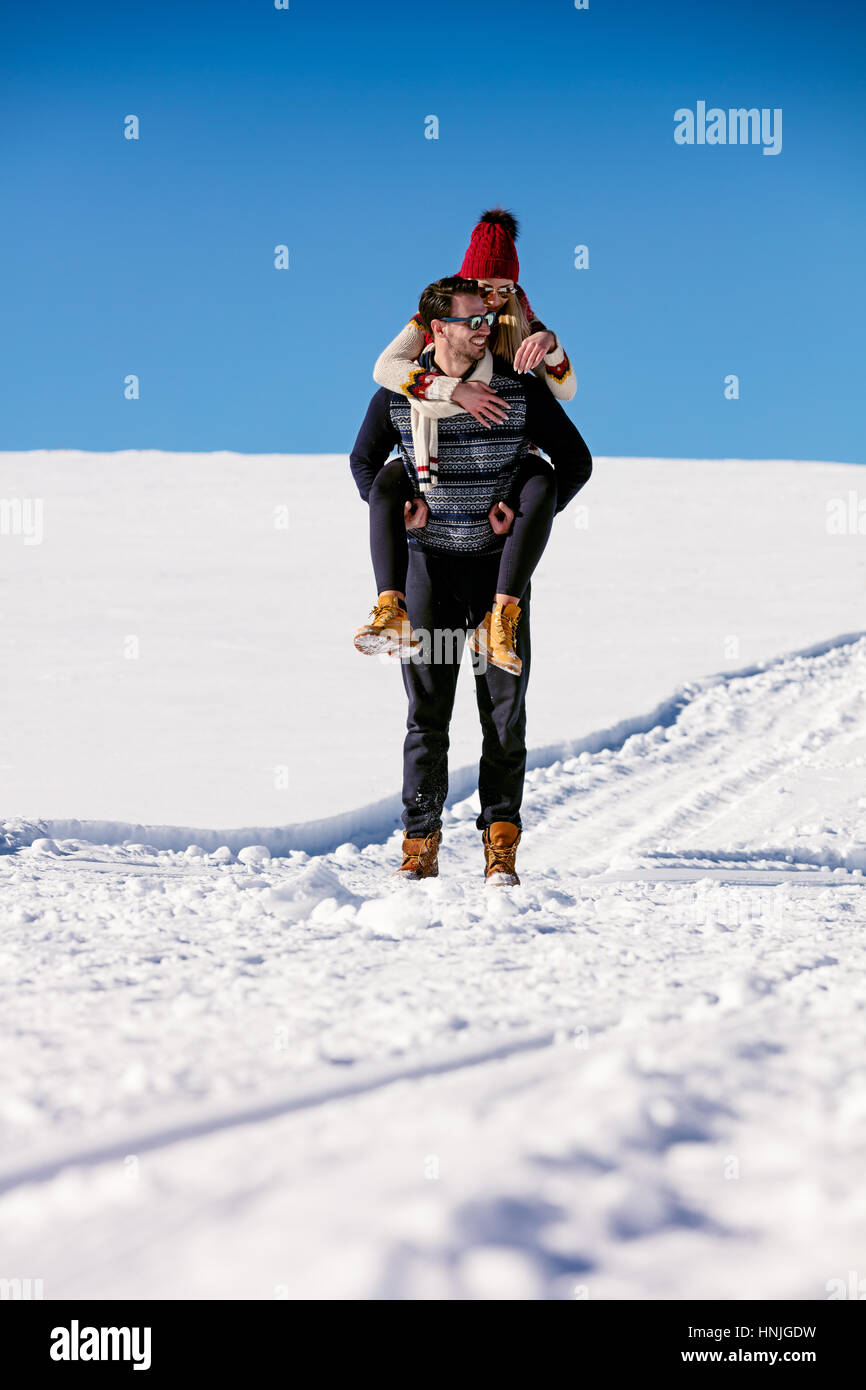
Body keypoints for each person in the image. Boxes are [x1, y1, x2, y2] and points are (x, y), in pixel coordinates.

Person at [350, 277, 592, 886]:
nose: (483, 328)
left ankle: (500, 848)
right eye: (470, 321)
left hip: (496, 578)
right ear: (436, 331)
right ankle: (419, 845)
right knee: (427, 716)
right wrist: (400, 513)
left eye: (487, 320)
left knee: (503, 718)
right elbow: (363, 462)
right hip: (427, 574)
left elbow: (577, 464)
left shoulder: (518, 389)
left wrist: (524, 509)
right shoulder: (399, 394)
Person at [354, 210, 577, 675]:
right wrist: (452, 390)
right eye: (484, 288)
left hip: (501, 453)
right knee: (395, 474)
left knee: (539, 476)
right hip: (435, 436)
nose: (493, 301)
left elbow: (565, 391)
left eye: (505, 289)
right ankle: (390, 607)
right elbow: (385, 368)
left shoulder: (520, 317)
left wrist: (550, 345)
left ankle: (500, 619)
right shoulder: (440, 313)